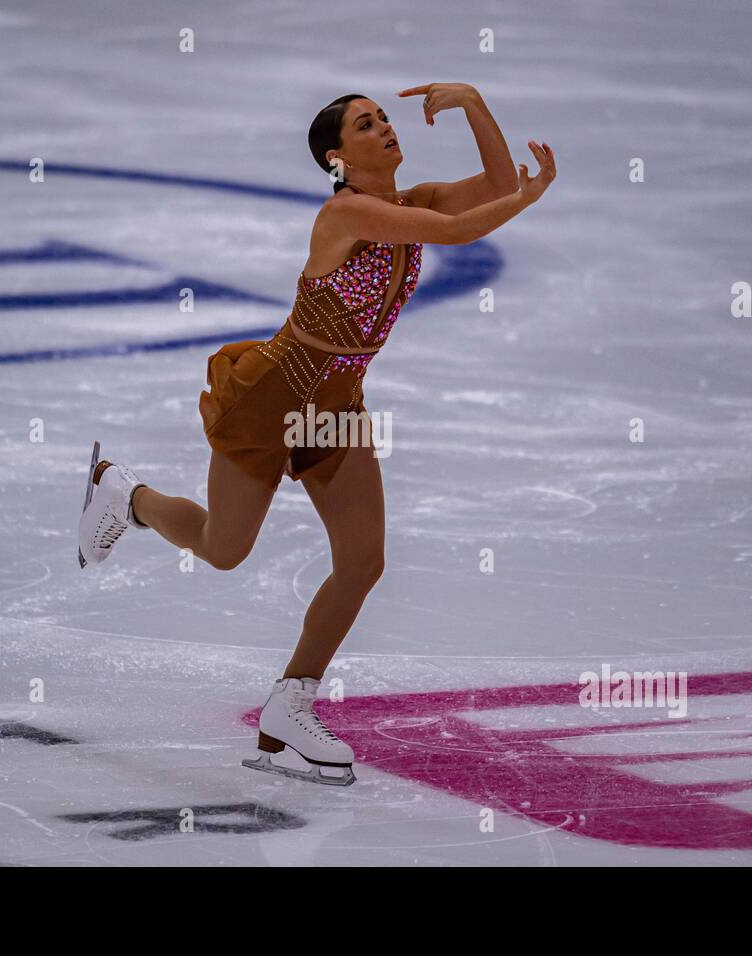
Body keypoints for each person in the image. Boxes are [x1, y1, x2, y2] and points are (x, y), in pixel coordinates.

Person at [77, 83, 556, 785]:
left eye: (386, 118)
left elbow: (494, 183)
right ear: (338, 155)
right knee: (223, 548)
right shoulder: (347, 213)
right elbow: (463, 229)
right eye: (368, 123)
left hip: (336, 403)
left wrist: (474, 102)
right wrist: (526, 201)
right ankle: (124, 494)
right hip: (273, 397)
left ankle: (290, 705)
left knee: (364, 561)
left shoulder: (410, 201)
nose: (386, 128)